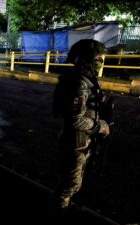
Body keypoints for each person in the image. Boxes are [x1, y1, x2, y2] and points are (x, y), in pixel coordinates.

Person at [52, 39, 110, 210]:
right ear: (87, 58)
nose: (100, 61)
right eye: (98, 57)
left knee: (77, 182)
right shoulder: (80, 82)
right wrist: (101, 126)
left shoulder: (85, 79)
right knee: (71, 185)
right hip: (76, 141)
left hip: (83, 139)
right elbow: (75, 118)